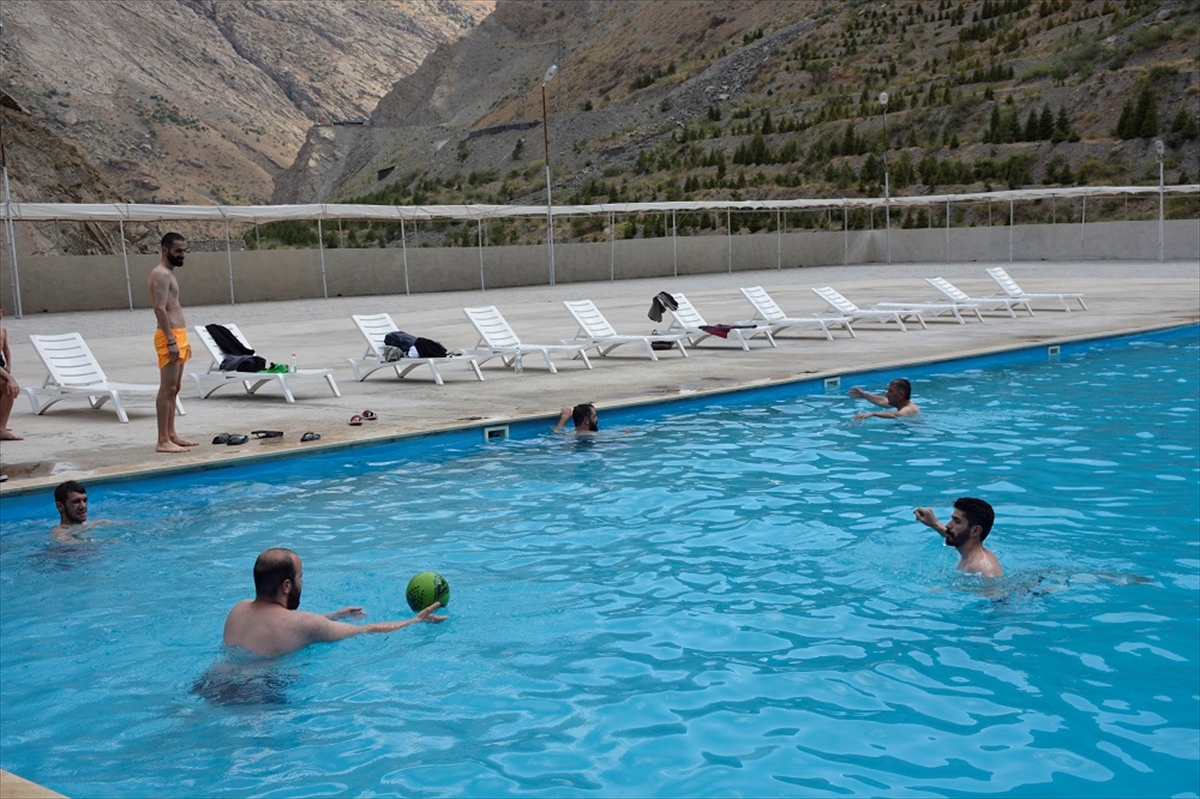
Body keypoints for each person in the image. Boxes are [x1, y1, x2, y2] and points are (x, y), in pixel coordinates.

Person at [222, 548, 448, 658]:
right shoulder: (304, 623)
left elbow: (283, 626)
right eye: (301, 576)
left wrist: (334, 615)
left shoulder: (237, 609)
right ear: (287, 586)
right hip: (259, 693)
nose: (303, 582)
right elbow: (367, 629)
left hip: (212, 685)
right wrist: (415, 620)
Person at [148, 232, 197, 453]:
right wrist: (170, 340)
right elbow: (159, 308)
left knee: (175, 388)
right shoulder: (160, 274)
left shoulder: (169, 273)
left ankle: (171, 434)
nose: (182, 255)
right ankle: (161, 440)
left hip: (179, 334)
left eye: (185, 251)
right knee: (166, 388)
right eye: (178, 251)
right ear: (164, 249)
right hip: (170, 337)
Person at [914, 497, 1004, 577]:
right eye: (952, 519)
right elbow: (953, 534)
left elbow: (998, 594)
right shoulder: (969, 554)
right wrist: (934, 523)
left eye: (957, 521)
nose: (948, 525)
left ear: (975, 531)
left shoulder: (983, 569)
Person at [849, 378, 920, 420]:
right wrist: (864, 394)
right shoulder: (899, 403)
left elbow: (895, 415)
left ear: (900, 395)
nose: (887, 394)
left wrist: (873, 413)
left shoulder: (909, 409)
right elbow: (882, 401)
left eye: (891, 391)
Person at [0, 306, 21, 444]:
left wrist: (9, 364)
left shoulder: (3, 329)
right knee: (8, 386)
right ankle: (1, 429)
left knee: (6, 386)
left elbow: (6, 348)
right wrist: (10, 378)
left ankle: (1, 425)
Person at [50, 479, 91, 543]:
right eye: (76, 502)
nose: (83, 506)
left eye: (85, 500)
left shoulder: (92, 525)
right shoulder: (60, 535)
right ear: (60, 506)